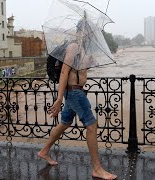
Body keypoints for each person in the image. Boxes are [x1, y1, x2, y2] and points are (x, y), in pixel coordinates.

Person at [38, 18, 117, 180]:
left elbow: (78, 71)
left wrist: (88, 62)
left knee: (64, 123)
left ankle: (44, 151)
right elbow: (64, 73)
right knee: (91, 126)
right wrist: (59, 98)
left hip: (76, 91)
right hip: (74, 93)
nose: (92, 34)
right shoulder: (74, 47)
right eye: (90, 30)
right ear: (82, 30)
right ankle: (97, 169)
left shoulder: (82, 50)